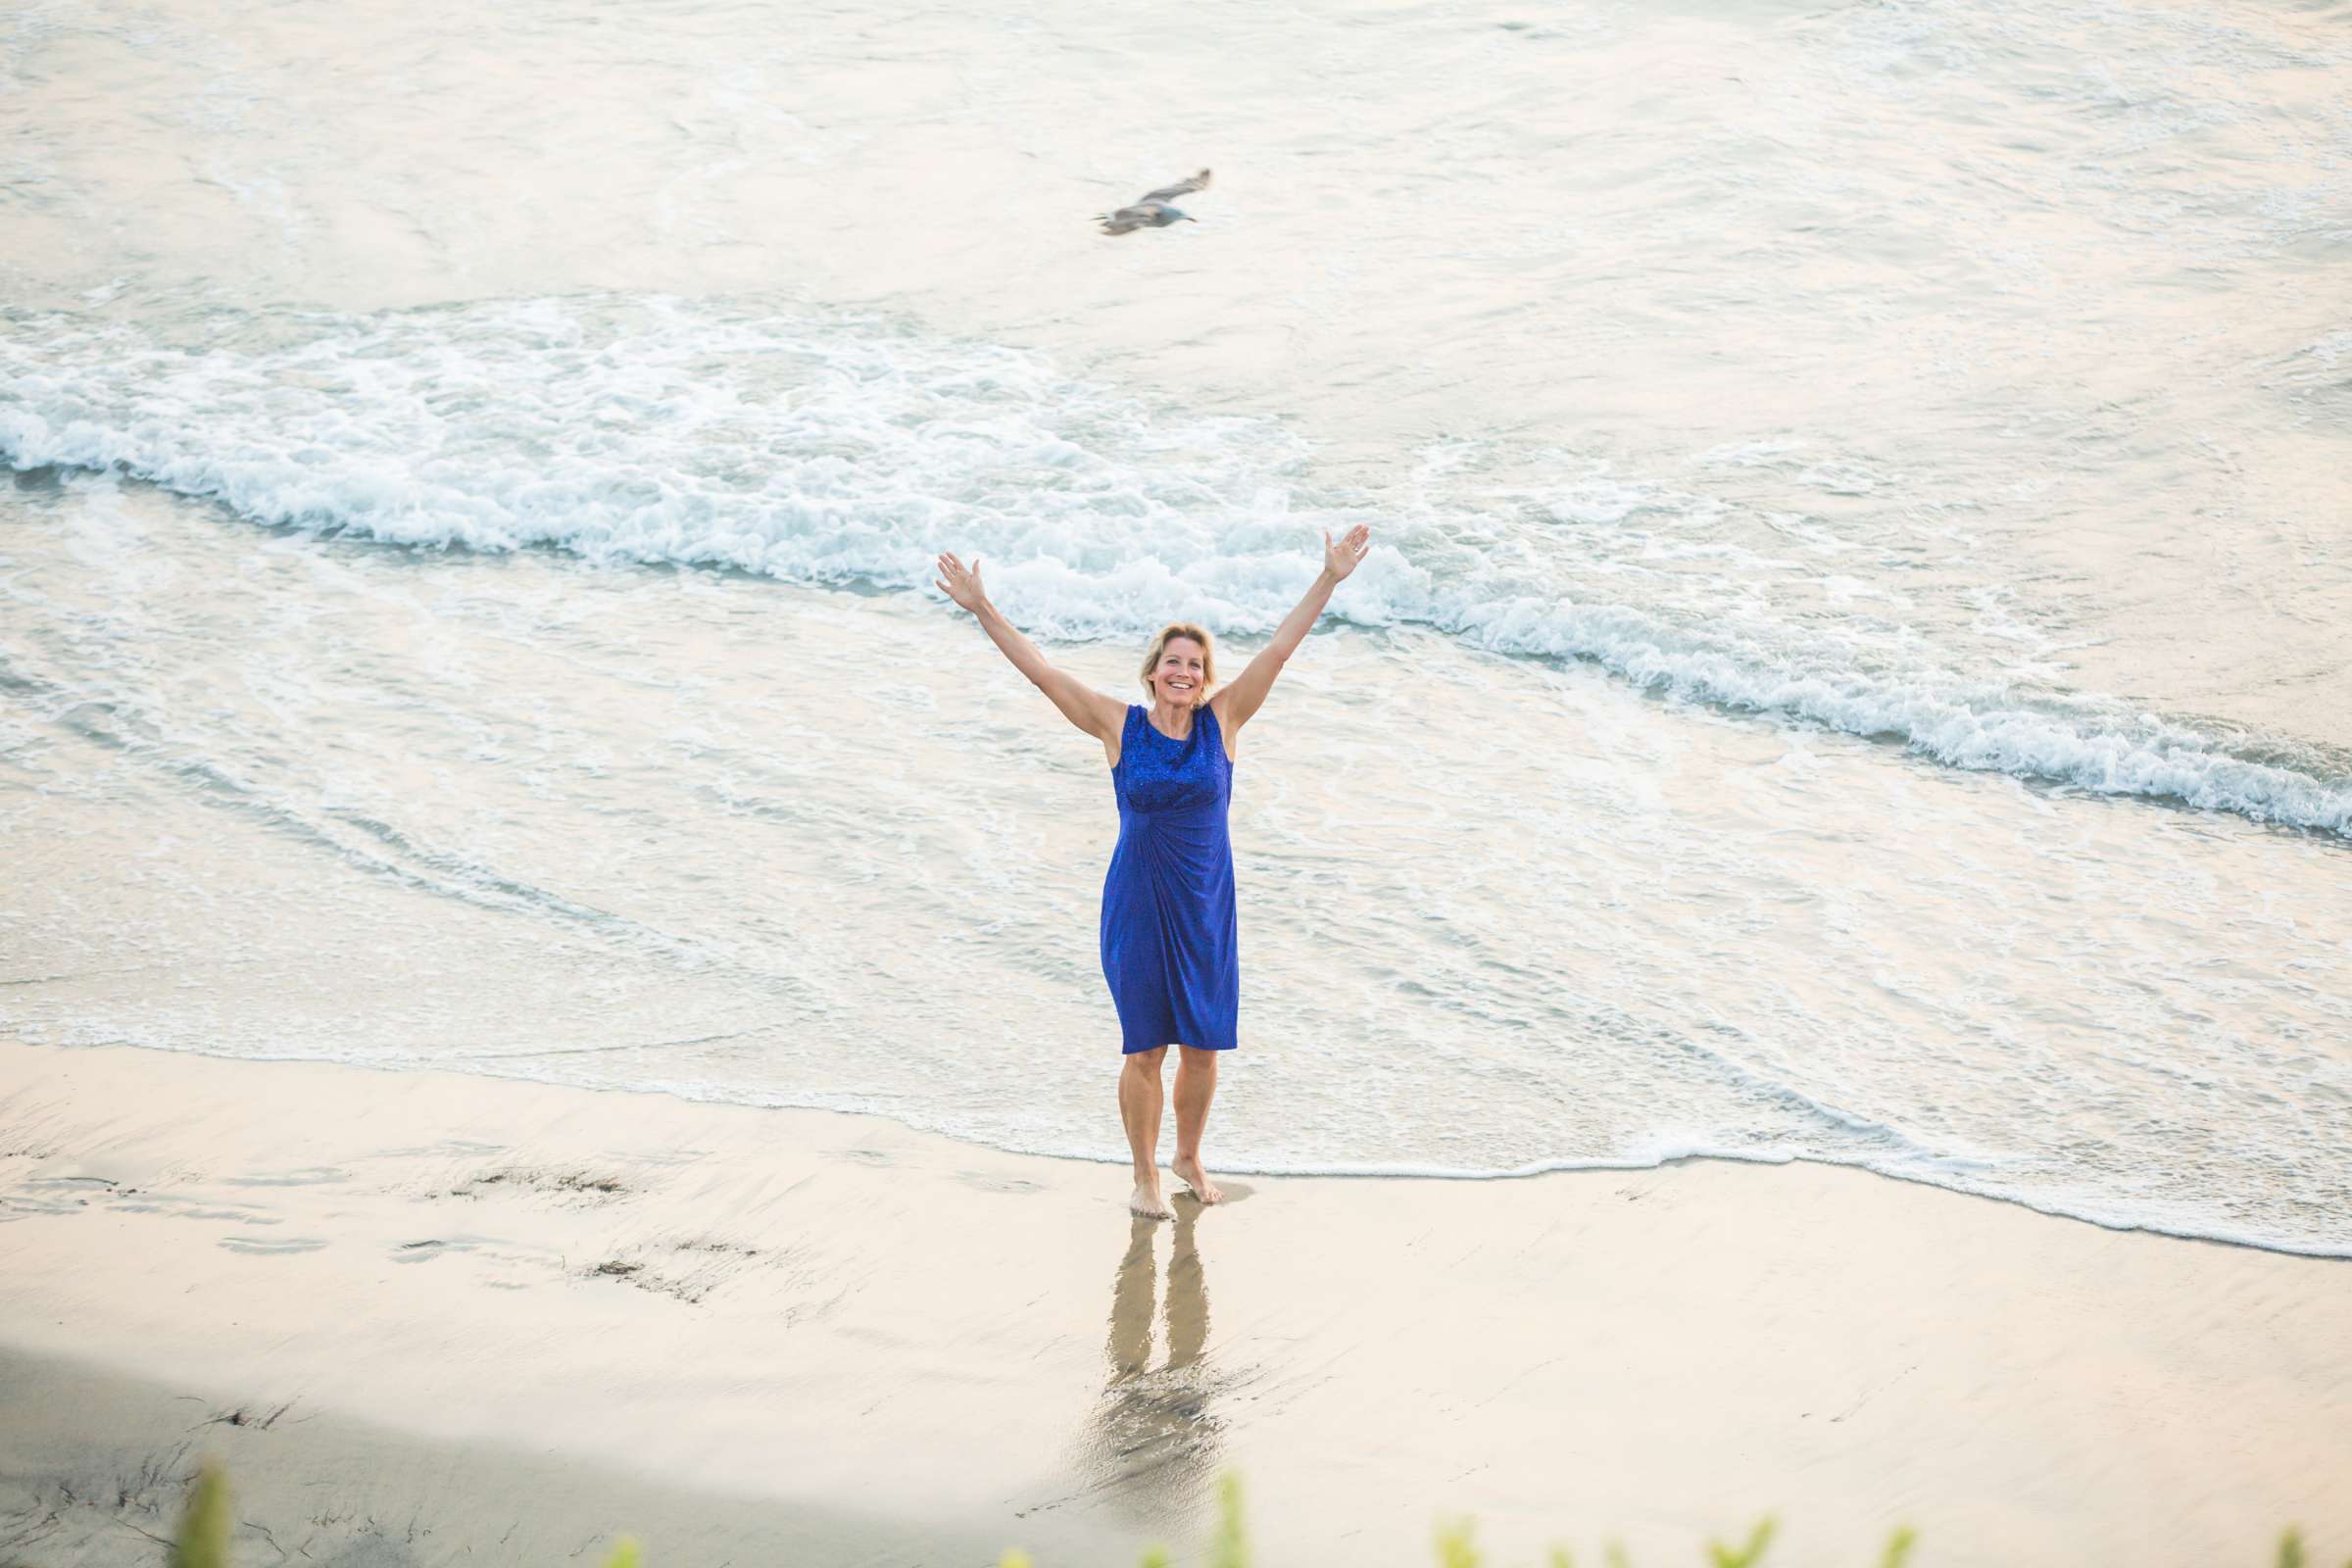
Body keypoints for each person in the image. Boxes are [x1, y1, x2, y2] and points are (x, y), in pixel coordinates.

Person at [933, 525, 1373, 1218]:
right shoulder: (1118, 725)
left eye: (1195, 665)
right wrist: (982, 608)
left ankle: (1188, 1155)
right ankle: (1142, 1175)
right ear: (1152, 671)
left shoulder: (1223, 721)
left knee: (1202, 1047)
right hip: (1137, 902)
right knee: (1145, 1047)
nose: (1184, 673)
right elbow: (1043, 672)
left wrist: (1330, 579)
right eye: (1173, 662)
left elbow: (1280, 649)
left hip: (1203, 905)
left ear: (1206, 678)